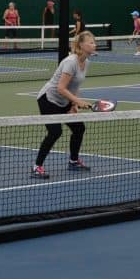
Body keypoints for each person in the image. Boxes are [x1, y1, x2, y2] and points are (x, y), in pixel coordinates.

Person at [31, 31, 97, 179]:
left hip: (64, 100)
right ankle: (37, 167)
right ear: (81, 45)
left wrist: (73, 104)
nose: (95, 45)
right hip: (48, 99)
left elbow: (75, 85)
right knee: (55, 132)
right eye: (91, 42)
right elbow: (61, 87)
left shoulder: (86, 62)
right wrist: (78, 101)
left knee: (79, 128)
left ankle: (73, 161)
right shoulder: (70, 62)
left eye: (94, 42)